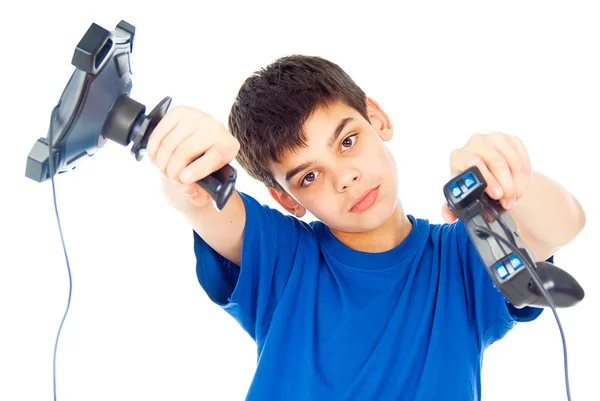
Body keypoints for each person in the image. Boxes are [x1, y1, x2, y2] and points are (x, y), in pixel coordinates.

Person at [145, 55, 586, 400]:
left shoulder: (460, 261)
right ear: (285, 199)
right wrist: (186, 161)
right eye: (309, 177)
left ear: (377, 118)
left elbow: (563, 223)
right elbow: (202, 206)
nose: (344, 178)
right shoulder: (284, 258)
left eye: (347, 141)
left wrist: (509, 177)